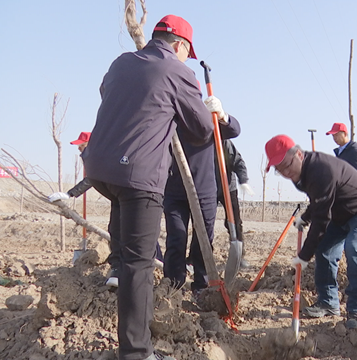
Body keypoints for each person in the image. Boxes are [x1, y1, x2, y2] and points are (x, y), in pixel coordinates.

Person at [82, 15, 217, 360]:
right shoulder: (178, 70)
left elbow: (109, 93)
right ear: (180, 46)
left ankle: (117, 268)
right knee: (139, 267)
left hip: (100, 169)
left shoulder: (121, 62)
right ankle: (137, 353)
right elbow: (201, 129)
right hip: (139, 176)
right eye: (187, 53)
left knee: (127, 249)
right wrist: (204, 108)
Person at [265, 135, 357, 329]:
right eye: (280, 170)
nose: (286, 172)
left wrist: (304, 255)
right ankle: (328, 302)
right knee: (324, 250)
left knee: (354, 248)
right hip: (340, 213)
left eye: (287, 165)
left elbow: (322, 219)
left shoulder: (321, 169)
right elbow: (320, 199)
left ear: (299, 154)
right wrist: (305, 216)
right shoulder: (301, 174)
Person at [48, 132, 165, 287]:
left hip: (137, 194)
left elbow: (92, 178)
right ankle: (118, 269)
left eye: (82, 147)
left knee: (140, 233)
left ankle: (159, 268)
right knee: (116, 229)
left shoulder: (109, 156)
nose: (81, 152)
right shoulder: (101, 157)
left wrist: (70, 194)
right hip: (118, 198)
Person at [163, 118, 240, 295]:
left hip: (204, 191)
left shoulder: (206, 119)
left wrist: (223, 116)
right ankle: (174, 286)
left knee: (203, 241)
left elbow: (234, 130)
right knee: (176, 238)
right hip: (174, 191)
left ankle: (202, 286)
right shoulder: (170, 118)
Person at [215, 139, 255, 268]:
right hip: (207, 188)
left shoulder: (224, 142)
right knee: (202, 222)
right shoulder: (198, 140)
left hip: (228, 187)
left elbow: (238, 162)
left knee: (234, 221)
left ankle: (239, 256)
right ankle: (196, 257)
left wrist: (243, 180)